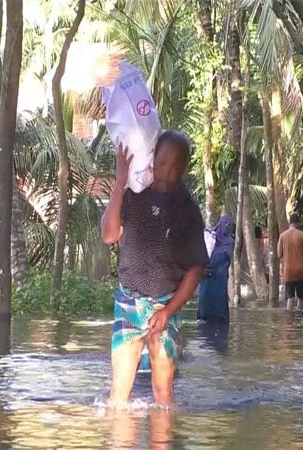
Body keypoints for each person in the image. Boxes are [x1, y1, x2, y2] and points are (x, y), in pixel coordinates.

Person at [101, 130, 208, 408]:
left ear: (184, 168)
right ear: (152, 159)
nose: (167, 172)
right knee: (119, 397)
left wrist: (168, 311)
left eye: (175, 167)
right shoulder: (134, 193)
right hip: (129, 303)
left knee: (163, 396)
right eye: (162, 164)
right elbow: (109, 235)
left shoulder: (187, 211)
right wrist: (120, 180)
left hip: (164, 306)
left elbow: (195, 269)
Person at [196, 214, 235, 324]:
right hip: (209, 280)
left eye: (229, 225)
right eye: (225, 224)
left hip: (218, 280)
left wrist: (208, 266)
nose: (227, 227)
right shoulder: (210, 240)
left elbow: (223, 260)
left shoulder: (228, 242)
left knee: (217, 311)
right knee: (206, 309)